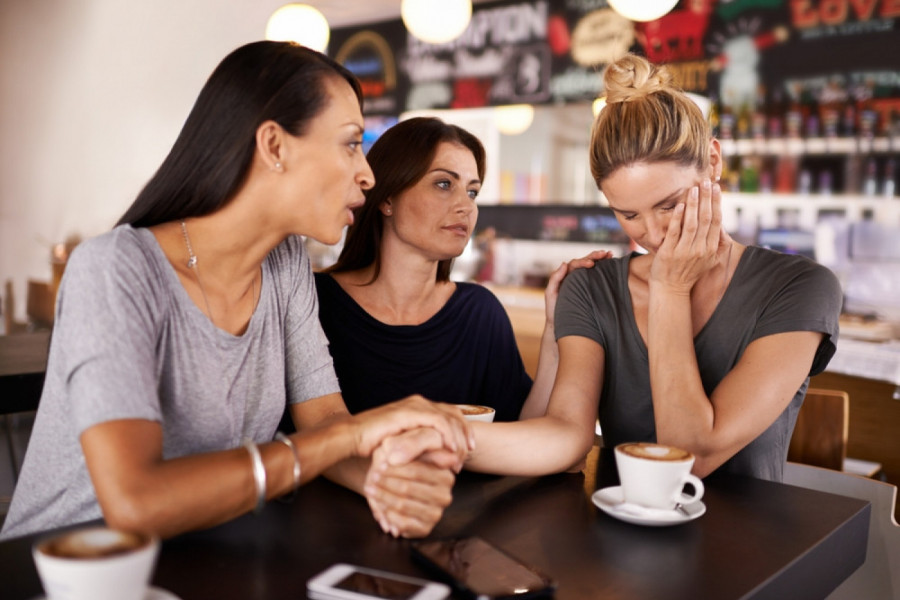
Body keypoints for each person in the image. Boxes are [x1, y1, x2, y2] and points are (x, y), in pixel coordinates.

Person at [0, 41, 472, 542]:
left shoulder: (287, 264)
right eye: (351, 143)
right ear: (273, 146)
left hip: (200, 556)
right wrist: (354, 434)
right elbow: (135, 502)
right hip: (63, 569)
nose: (368, 174)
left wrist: (383, 482)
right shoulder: (114, 269)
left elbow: (322, 421)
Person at [373, 54, 841, 487]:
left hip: (754, 554)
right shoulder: (591, 288)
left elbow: (691, 456)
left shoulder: (799, 287)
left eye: (670, 205)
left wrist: (670, 290)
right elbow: (565, 434)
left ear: (713, 163)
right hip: (616, 545)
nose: (653, 234)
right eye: (629, 215)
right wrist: (430, 438)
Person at [314, 116, 609, 422]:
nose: (466, 206)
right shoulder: (315, 304)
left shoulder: (479, 313)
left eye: (472, 192)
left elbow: (525, 430)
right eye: (444, 184)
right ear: (387, 197)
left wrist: (554, 328)